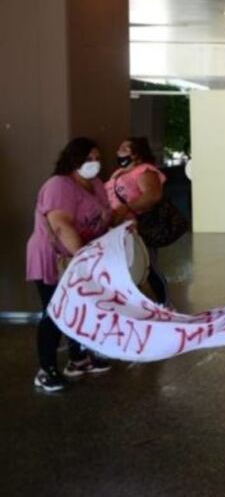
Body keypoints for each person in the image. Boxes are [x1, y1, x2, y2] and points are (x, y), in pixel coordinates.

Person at [26, 138, 113, 392]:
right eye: (88, 159)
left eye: (97, 158)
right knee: (55, 311)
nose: (94, 164)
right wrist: (83, 259)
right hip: (54, 257)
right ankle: (46, 370)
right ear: (73, 160)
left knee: (80, 307)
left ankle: (78, 359)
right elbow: (61, 225)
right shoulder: (59, 186)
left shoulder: (95, 184)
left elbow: (103, 216)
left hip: (79, 256)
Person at [105, 137, 169, 305]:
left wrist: (127, 208)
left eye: (125, 148)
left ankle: (164, 303)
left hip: (138, 226)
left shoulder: (145, 171)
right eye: (120, 148)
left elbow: (153, 195)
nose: (119, 151)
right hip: (118, 228)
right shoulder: (118, 173)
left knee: (148, 266)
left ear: (137, 153)